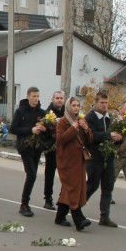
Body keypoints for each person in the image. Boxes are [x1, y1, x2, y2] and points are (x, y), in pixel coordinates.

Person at [83, 90, 121, 228]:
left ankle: (104, 216)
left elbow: (116, 135)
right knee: (92, 185)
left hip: (109, 157)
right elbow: (91, 136)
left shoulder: (111, 117)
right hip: (95, 157)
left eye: (106, 103)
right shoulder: (90, 117)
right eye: (101, 103)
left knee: (108, 186)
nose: (104, 105)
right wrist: (108, 135)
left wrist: (118, 138)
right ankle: (76, 206)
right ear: (96, 102)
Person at [53, 96, 92, 231]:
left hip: (79, 160)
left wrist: (86, 129)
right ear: (69, 107)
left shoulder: (81, 120)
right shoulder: (63, 122)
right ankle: (78, 218)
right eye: (74, 105)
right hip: (67, 160)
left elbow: (89, 139)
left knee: (71, 187)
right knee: (72, 187)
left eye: (77, 105)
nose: (76, 108)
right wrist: (73, 128)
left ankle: (60, 217)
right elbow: (61, 139)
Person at [9, 86, 44, 218]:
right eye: (34, 96)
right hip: (25, 146)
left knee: (32, 175)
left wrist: (44, 128)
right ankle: (24, 204)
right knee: (31, 174)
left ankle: (25, 203)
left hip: (37, 147)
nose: (36, 99)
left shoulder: (42, 112)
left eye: (38, 96)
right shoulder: (20, 111)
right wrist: (30, 130)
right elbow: (13, 128)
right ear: (28, 96)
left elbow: (48, 127)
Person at [40, 91, 66, 210]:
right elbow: (44, 131)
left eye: (61, 98)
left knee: (66, 174)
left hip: (65, 147)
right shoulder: (47, 113)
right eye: (57, 98)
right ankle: (48, 198)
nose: (59, 100)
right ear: (52, 99)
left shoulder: (68, 112)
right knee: (50, 173)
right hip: (51, 147)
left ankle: (63, 198)